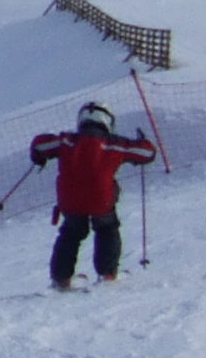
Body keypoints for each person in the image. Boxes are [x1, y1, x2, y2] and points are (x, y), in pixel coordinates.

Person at [31, 102, 157, 289]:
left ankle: (61, 279)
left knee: (71, 233)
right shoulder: (114, 144)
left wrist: (39, 157)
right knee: (107, 229)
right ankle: (107, 275)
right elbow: (147, 152)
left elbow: (39, 145)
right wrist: (142, 140)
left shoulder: (66, 141)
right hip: (101, 199)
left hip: (70, 200)